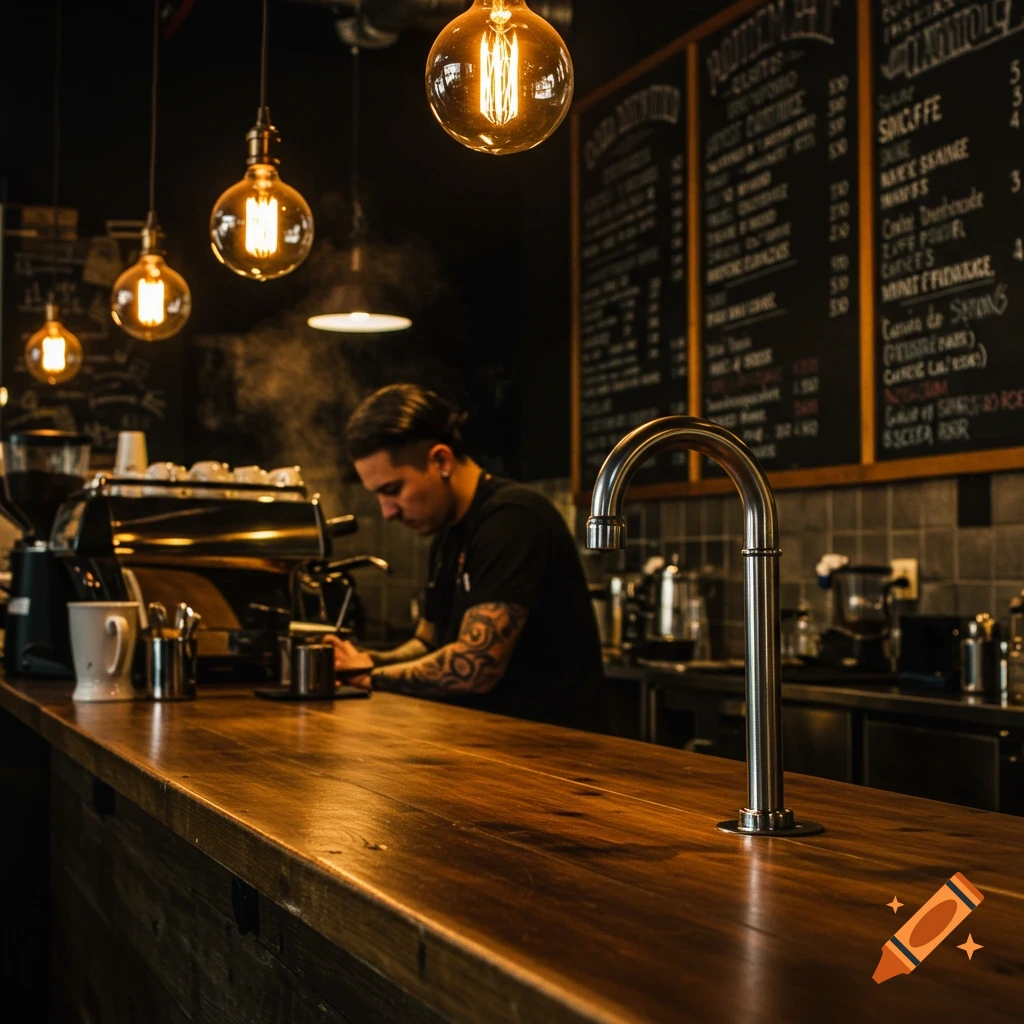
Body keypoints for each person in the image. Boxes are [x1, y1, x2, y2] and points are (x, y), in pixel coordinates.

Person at [323, 383, 607, 731]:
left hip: (559, 753)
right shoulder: (448, 533)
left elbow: (477, 664)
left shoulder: (513, 518)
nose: (387, 512)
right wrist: (363, 662)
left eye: (393, 490)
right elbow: (427, 642)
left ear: (441, 460)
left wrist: (372, 676)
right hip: (492, 744)